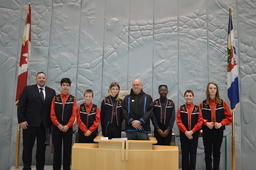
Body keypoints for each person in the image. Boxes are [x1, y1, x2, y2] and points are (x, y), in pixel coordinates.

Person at [17, 72, 56, 170]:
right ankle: (26, 167)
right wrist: (22, 120)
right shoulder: (28, 90)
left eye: (43, 78)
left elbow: (53, 109)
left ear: (46, 80)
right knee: (27, 147)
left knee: (41, 149)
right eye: (39, 78)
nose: (41, 79)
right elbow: (21, 106)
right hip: (29, 124)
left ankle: (40, 168)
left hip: (44, 125)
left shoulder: (51, 92)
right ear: (36, 79)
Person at [200, 82, 232, 170]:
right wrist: (206, 123)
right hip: (207, 131)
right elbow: (199, 118)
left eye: (214, 88)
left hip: (218, 130)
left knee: (217, 152)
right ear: (207, 90)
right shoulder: (203, 104)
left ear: (217, 90)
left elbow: (229, 117)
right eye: (210, 88)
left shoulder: (222, 103)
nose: (212, 90)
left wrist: (221, 123)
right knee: (207, 152)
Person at [50, 78, 76, 170]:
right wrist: (58, 125)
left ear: (70, 87)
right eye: (64, 85)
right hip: (57, 128)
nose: (65, 87)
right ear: (61, 86)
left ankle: (66, 168)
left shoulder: (72, 99)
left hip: (68, 129)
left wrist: (68, 126)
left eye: (67, 85)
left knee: (67, 150)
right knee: (57, 150)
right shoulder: (55, 98)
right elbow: (52, 114)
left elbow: (73, 115)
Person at [176, 90, 203, 170]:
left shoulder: (197, 108)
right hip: (184, 134)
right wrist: (186, 132)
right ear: (184, 97)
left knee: (193, 153)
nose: (188, 97)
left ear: (193, 97)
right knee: (185, 153)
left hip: (194, 134)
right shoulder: (181, 108)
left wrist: (192, 131)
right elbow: (179, 121)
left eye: (190, 96)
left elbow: (200, 121)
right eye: (187, 96)